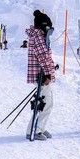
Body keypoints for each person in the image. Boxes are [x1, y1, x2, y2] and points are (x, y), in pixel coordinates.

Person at [25, 11, 56, 141]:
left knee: (48, 102)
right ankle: (34, 129)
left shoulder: (40, 35)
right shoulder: (38, 36)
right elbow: (42, 56)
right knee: (44, 103)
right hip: (41, 76)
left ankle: (40, 127)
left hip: (43, 74)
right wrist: (47, 74)